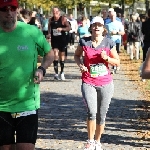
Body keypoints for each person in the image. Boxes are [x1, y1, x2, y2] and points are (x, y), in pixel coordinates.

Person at [0, 0, 54, 150]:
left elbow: (49, 53)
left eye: (12, 9)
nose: (9, 13)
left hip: (27, 102)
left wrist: (42, 69)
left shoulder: (31, 32)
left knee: (26, 147)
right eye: (4, 9)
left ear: (17, 10)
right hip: (1, 105)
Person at [74, 16, 120, 150]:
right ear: (91, 27)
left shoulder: (108, 43)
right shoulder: (84, 42)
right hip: (88, 81)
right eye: (94, 25)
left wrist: (108, 59)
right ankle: (90, 141)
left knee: (101, 114)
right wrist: (80, 65)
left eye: (99, 25)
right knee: (92, 112)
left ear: (103, 28)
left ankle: (98, 141)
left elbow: (117, 61)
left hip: (106, 82)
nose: (97, 27)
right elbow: (77, 56)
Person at [48, 7, 71, 80]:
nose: (55, 13)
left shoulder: (63, 19)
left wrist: (62, 29)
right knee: (55, 54)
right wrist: (48, 34)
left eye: (56, 12)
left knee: (62, 56)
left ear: (59, 12)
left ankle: (62, 72)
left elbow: (69, 28)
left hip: (62, 39)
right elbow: (49, 28)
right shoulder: (51, 20)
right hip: (54, 40)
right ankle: (56, 73)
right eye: (54, 12)